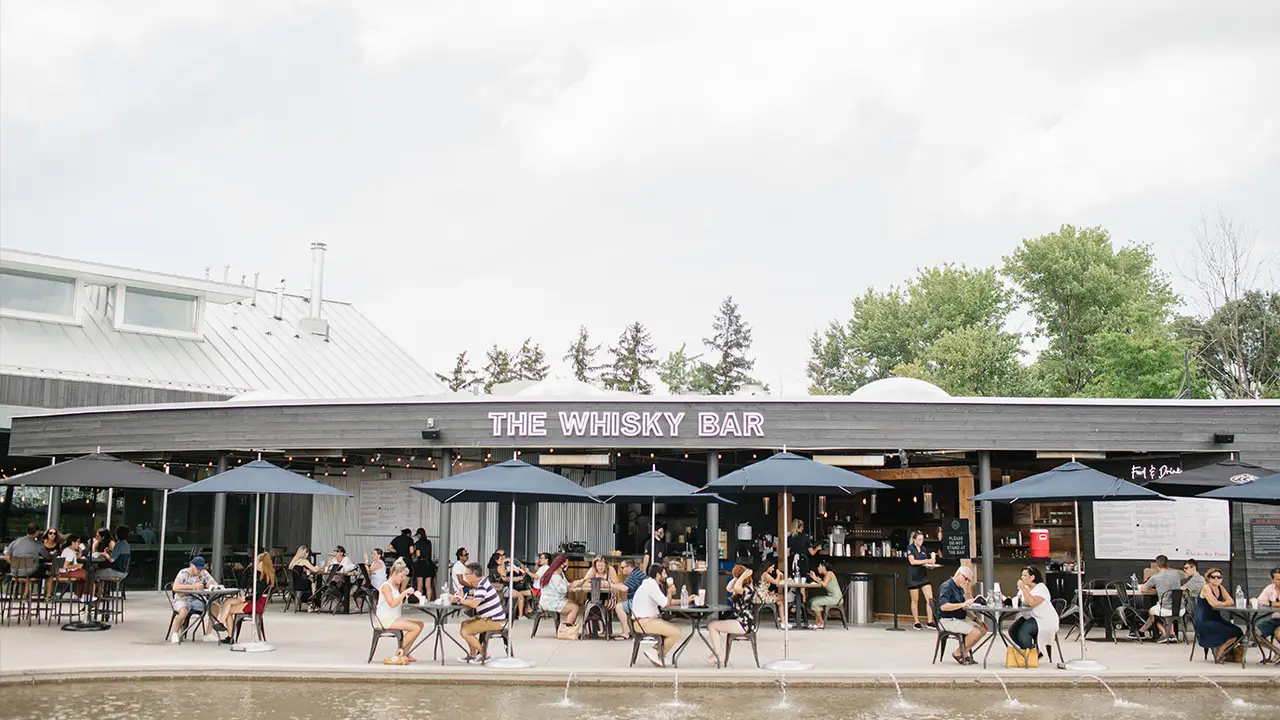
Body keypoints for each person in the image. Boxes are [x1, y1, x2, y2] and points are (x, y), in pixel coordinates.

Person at [213, 551, 276, 644]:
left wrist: (245, 599)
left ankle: (229, 635)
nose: (255, 564)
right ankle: (221, 623)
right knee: (228, 601)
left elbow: (257, 596)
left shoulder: (263, 579)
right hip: (256, 601)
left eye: (257, 561)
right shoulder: (267, 576)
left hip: (256, 604)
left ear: (262, 563)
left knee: (229, 610)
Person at [453, 561, 507, 664]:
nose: (465, 576)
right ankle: (473, 655)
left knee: (465, 632)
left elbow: (474, 604)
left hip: (494, 620)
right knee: (465, 624)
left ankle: (484, 655)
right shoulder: (481, 584)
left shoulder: (481, 586)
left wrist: (460, 600)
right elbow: (476, 599)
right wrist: (462, 597)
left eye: (467, 574)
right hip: (490, 618)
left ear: (473, 575)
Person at [706, 565, 756, 665]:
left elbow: (737, 588)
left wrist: (742, 576)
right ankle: (718, 653)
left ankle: (718, 655)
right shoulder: (742, 587)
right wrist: (736, 577)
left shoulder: (747, 589)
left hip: (744, 624)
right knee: (712, 623)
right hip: (739, 621)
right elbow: (728, 588)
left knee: (712, 625)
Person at [377, 559, 425, 663]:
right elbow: (392, 603)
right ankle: (400, 651)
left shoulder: (395, 586)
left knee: (420, 624)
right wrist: (404, 593)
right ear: (395, 573)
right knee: (415, 628)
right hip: (385, 619)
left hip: (393, 617)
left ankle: (405, 652)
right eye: (401, 576)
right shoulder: (386, 586)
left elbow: (397, 602)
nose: (403, 579)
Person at [633, 564, 679, 667]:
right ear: (658, 575)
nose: (666, 575)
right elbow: (666, 604)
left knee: (672, 629)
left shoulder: (650, 584)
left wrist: (683, 600)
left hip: (644, 621)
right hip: (644, 622)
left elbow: (664, 601)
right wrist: (670, 592)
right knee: (676, 632)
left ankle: (659, 654)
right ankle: (656, 652)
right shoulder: (651, 586)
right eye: (664, 573)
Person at [937, 565, 985, 665]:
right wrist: (963, 604)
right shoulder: (947, 587)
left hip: (959, 618)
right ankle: (958, 653)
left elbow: (965, 608)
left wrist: (976, 620)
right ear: (958, 574)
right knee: (975, 632)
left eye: (968, 580)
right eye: (966, 578)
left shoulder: (960, 588)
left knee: (983, 628)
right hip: (947, 619)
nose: (966, 582)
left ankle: (965, 653)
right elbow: (943, 606)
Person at [1194, 567, 1243, 662]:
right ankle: (1221, 651)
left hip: (1216, 618)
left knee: (1238, 631)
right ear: (1208, 578)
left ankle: (1222, 648)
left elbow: (1231, 601)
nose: (1216, 579)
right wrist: (1222, 603)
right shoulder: (1206, 588)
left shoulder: (1220, 588)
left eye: (1219, 577)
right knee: (1230, 632)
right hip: (1204, 620)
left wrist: (1220, 603)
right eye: (1213, 577)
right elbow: (1214, 604)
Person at [169, 556, 222, 643]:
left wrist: (211, 586)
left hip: (198, 600)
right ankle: (175, 633)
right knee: (183, 612)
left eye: (201, 568)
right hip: (182, 599)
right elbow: (175, 587)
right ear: (191, 565)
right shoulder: (184, 573)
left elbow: (213, 584)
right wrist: (193, 587)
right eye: (198, 568)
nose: (199, 570)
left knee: (215, 607)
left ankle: (208, 634)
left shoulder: (203, 572)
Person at [1009, 566, 1059, 656]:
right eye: (1022, 575)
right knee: (1013, 630)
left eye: (1025, 576)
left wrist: (1023, 589)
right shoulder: (1025, 588)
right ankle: (1030, 650)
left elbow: (1032, 603)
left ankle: (1031, 655)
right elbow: (1019, 600)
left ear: (1032, 577)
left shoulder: (1041, 588)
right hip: (1029, 616)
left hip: (1043, 619)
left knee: (1023, 631)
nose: (1022, 578)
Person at [1135, 555, 1184, 642]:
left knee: (1152, 612)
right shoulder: (1176, 574)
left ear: (1157, 566)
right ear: (1167, 564)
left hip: (1165, 608)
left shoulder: (1155, 577)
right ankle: (1172, 634)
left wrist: (1154, 589)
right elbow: (1185, 574)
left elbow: (1143, 589)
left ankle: (1164, 633)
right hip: (1180, 608)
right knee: (1169, 615)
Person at [582, 554, 629, 638]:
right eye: (598, 565)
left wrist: (608, 584)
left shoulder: (610, 570)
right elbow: (584, 583)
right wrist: (594, 584)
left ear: (606, 565)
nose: (600, 567)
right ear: (595, 565)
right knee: (588, 605)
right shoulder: (592, 570)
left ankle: (602, 630)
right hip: (593, 597)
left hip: (609, 598)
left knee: (602, 606)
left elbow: (617, 584)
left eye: (602, 565)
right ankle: (590, 631)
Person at [905, 530, 937, 630]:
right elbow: (912, 561)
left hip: (923, 576)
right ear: (914, 539)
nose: (921, 541)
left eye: (922, 539)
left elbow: (924, 563)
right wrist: (927, 560)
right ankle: (916, 621)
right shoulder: (910, 548)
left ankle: (930, 621)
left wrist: (931, 564)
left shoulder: (923, 548)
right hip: (913, 577)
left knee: (929, 599)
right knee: (915, 600)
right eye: (919, 539)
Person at [537, 554, 579, 626]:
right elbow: (562, 589)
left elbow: (566, 584)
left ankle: (568, 626)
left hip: (555, 599)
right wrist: (573, 585)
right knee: (574, 608)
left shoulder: (560, 573)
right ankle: (566, 630)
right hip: (550, 602)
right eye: (566, 563)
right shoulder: (555, 575)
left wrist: (573, 585)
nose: (567, 565)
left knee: (574, 603)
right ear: (561, 564)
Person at [806, 559, 843, 629]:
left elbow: (824, 584)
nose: (818, 568)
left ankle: (821, 622)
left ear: (824, 567)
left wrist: (814, 578)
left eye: (819, 566)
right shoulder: (826, 574)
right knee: (812, 600)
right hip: (831, 597)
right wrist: (816, 578)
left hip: (835, 598)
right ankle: (818, 622)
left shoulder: (829, 573)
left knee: (814, 603)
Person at [1252, 566, 1280, 656]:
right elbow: (1260, 601)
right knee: (1254, 635)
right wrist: (1253, 600)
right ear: (1273, 580)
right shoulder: (1270, 588)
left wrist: (1273, 603)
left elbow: (1272, 604)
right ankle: (1277, 651)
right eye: (1278, 579)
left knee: (1278, 634)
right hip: (1275, 619)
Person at [54, 534, 88, 599]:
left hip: (64, 572)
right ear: (73, 542)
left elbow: (76, 557)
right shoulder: (69, 552)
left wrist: (80, 552)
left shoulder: (69, 550)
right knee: (87, 575)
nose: (79, 544)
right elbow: (65, 566)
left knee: (84, 575)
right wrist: (77, 565)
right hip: (66, 572)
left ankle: (78, 594)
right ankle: (85, 595)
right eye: (78, 542)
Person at [411, 528, 435, 599]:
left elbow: (418, 554)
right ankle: (428, 600)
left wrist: (414, 554)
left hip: (421, 564)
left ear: (419, 535)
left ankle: (419, 601)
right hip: (428, 564)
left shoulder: (418, 543)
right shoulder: (429, 542)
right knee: (428, 586)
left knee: (419, 585)